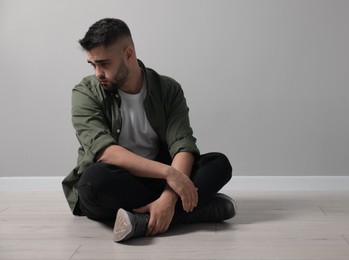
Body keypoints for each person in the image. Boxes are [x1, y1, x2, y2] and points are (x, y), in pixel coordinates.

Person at [62, 18, 236, 243]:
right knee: (93, 182)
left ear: (128, 54)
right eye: (93, 65)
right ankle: (194, 212)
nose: (98, 73)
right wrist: (170, 174)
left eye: (104, 63)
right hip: (118, 180)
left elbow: (182, 143)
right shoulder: (85, 92)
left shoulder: (168, 89)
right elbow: (105, 151)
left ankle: (143, 220)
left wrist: (168, 195)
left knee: (218, 164)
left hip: (160, 182)